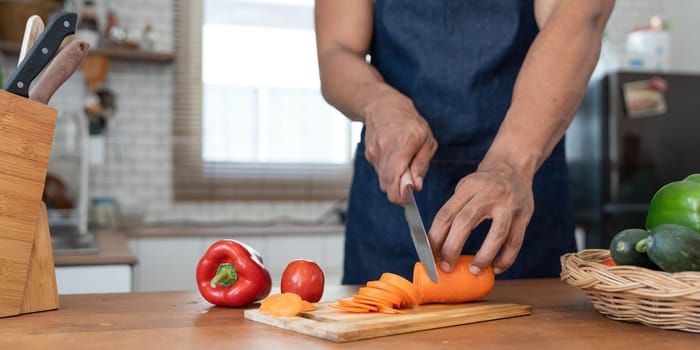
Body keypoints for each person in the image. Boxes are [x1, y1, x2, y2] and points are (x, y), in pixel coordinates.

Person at [315, 0, 615, 284]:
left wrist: (510, 164)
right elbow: (337, 50)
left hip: (523, 183)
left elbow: (579, 16)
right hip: (393, 196)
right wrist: (378, 103)